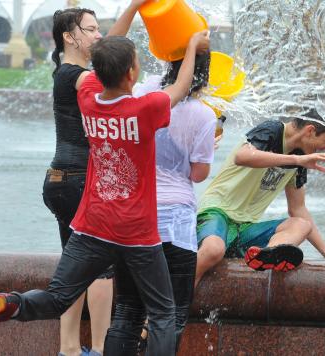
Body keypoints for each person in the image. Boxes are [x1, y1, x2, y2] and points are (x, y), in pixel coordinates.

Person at [0, 29, 210, 356]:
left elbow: (102, 59)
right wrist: (190, 46)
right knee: (161, 313)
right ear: (131, 74)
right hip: (137, 233)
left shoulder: (88, 98)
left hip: (93, 226)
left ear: (98, 71)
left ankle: (11, 303)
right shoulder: (144, 109)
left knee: (58, 297)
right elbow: (181, 87)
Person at [41, 2, 147, 355]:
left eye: (98, 27)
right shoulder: (83, 77)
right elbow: (113, 62)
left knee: (72, 271)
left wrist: (132, 8)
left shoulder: (66, 73)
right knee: (102, 268)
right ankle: (100, 349)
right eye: (90, 29)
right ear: (69, 37)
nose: (98, 34)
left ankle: (69, 350)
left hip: (59, 181)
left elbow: (108, 50)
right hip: (79, 181)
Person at [195, 109, 325, 286]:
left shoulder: (300, 157)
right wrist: (296, 161)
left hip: (245, 228)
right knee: (214, 250)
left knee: (302, 224)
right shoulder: (273, 130)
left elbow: (298, 208)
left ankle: (267, 255)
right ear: (309, 131)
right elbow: (242, 156)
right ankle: (177, 305)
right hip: (216, 212)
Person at [128, 51, 216, 352]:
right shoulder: (203, 114)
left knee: (127, 310)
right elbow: (198, 173)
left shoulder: (145, 89)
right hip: (176, 222)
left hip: (136, 214)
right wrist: (208, 147)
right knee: (173, 312)